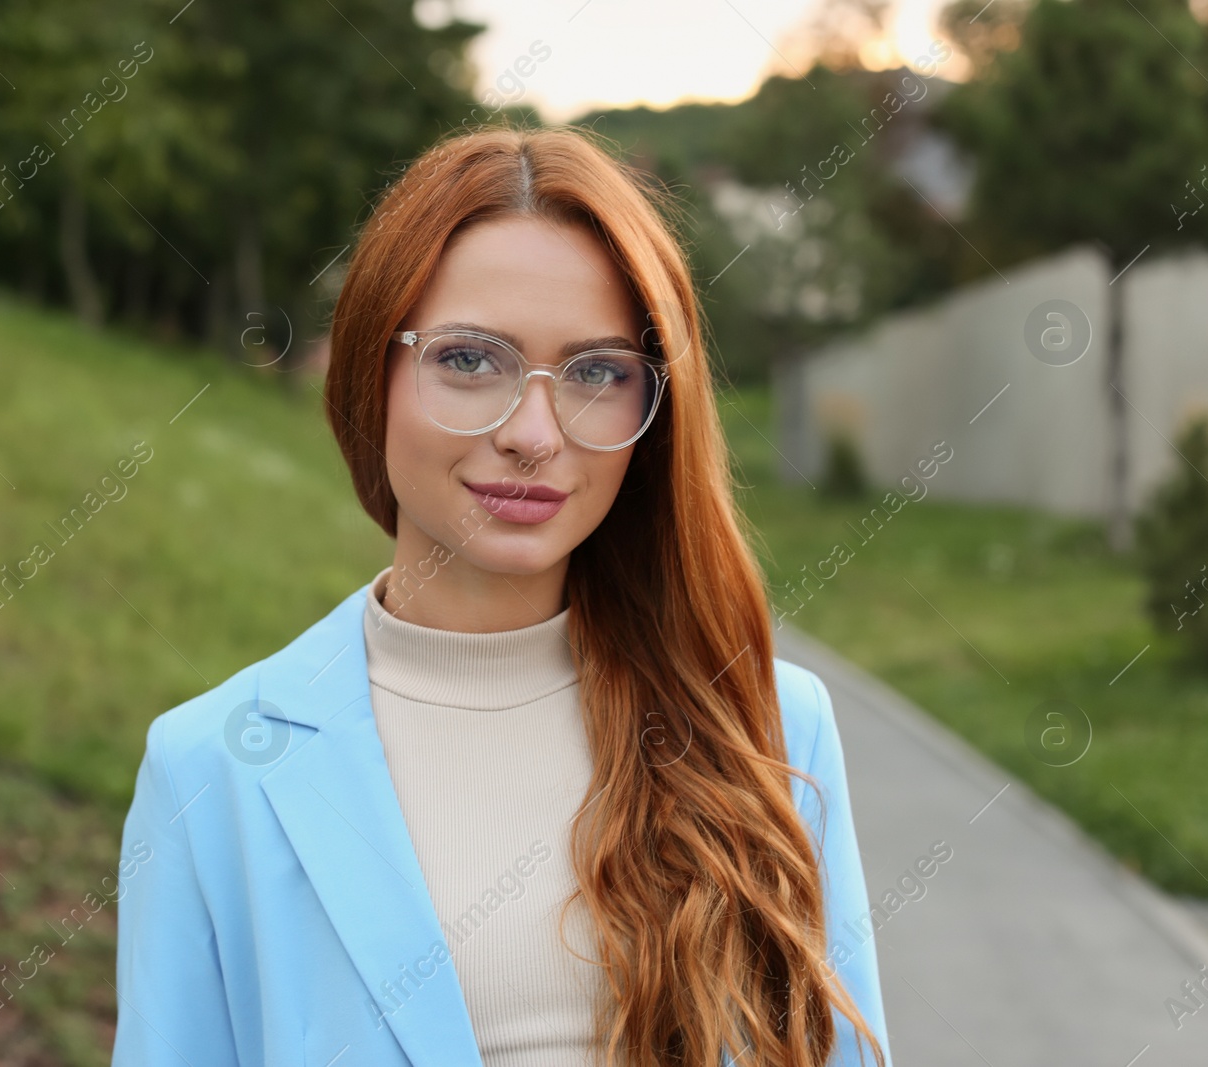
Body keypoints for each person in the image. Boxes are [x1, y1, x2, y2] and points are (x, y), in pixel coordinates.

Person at [110, 123, 890, 1067]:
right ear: (373, 373)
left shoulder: (763, 723)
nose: (533, 433)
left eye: (598, 373)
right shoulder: (211, 768)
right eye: (471, 360)